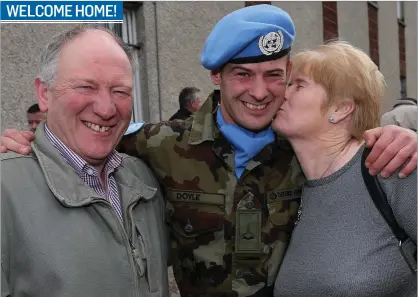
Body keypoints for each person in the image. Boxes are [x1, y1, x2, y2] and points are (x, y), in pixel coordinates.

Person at [1, 5, 417, 297]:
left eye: (274, 76)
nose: (259, 92)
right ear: (216, 76)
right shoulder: (158, 145)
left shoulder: (305, 151)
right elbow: (85, 131)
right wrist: (23, 144)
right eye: (242, 75)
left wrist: (398, 136)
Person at [1, 25, 169, 297]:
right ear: (44, 94)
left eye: (120, 91)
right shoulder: (6, 189)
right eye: (85, 87)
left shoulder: (143, 177)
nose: (106, 109)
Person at [272, 41, 416, 296]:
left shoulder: (389, 166)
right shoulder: (286, 182)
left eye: (298, 85)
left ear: (339, 109)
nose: (282, 92)